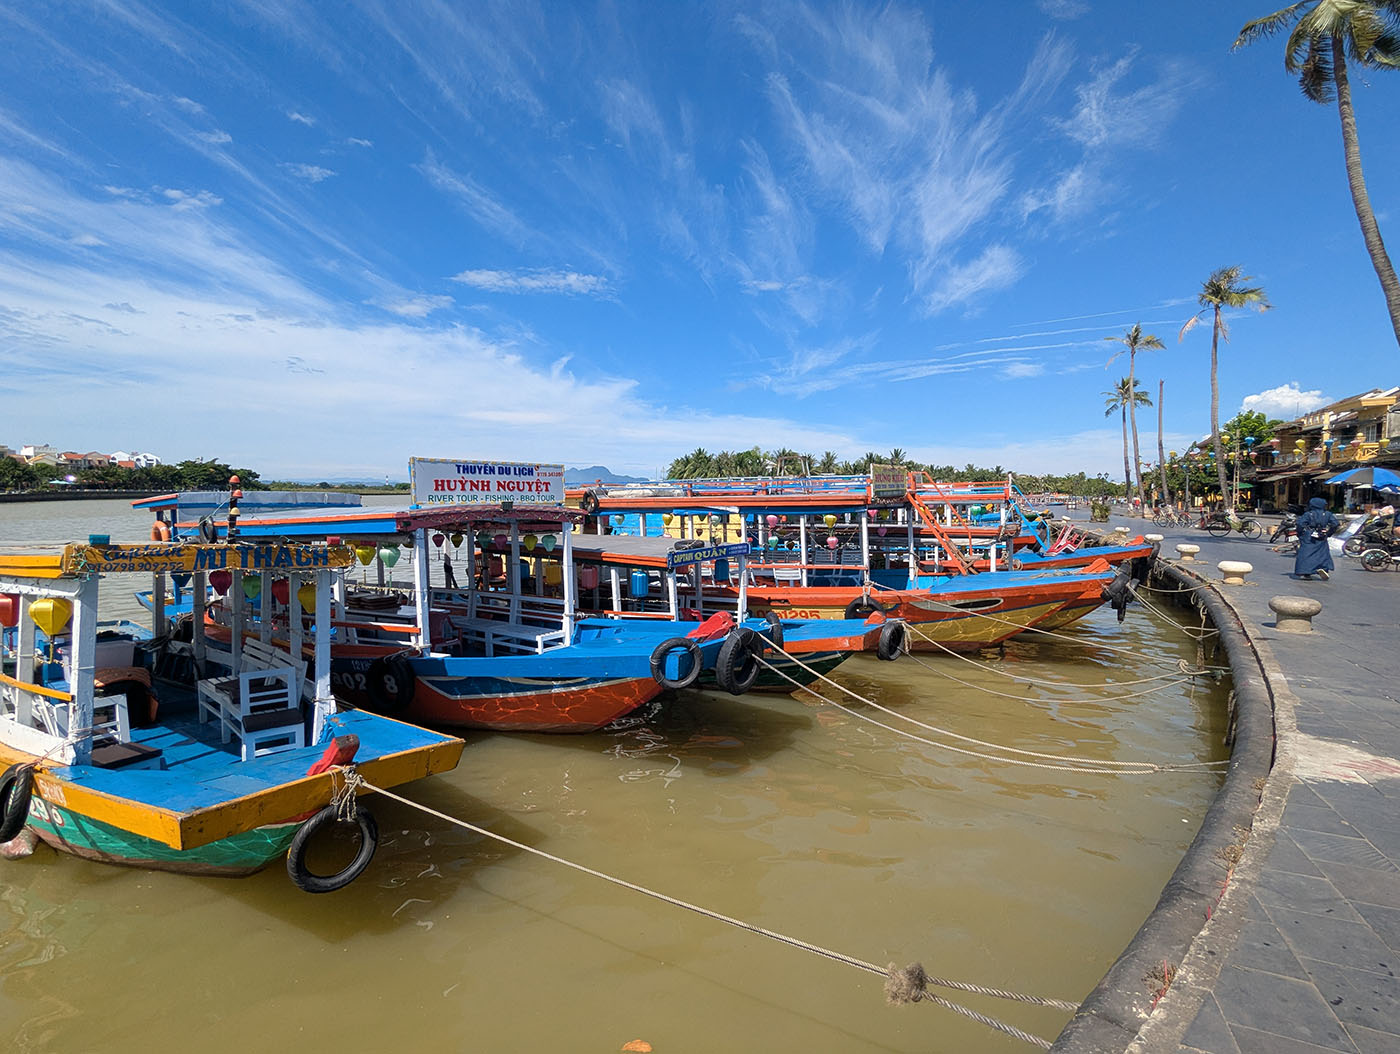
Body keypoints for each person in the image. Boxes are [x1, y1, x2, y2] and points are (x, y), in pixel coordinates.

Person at [1293, 496, 1340, 580]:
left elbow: (1300, 524)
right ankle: (1322, 568)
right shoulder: (1328, 514)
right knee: (1322, 553)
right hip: (1322, 534)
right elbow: (1335, 524)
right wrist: (1329, 533)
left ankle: (1306, 573)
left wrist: (1300, 533)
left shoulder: (1308, 514)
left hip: (1309, 535)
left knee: (1306, 554)